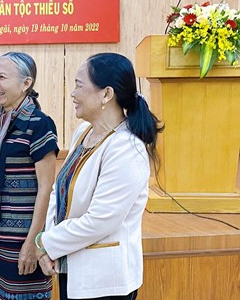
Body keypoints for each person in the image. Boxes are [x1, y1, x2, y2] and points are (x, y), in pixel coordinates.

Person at [35, 53, 162, 300]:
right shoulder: (84, 132)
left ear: (106, 94)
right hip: (72, 268)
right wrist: (49, 246)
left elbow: (101, 221)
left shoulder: (127, 148)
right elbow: (58, 192)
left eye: (79, 85)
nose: (73, 94)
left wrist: (46, 242)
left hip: (105, 283)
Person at [0, 52, 58, 299]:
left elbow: (46, 188)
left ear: (26, 83)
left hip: (23, 241)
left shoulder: (39, 124)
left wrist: (33, 243)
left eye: (2, 78)